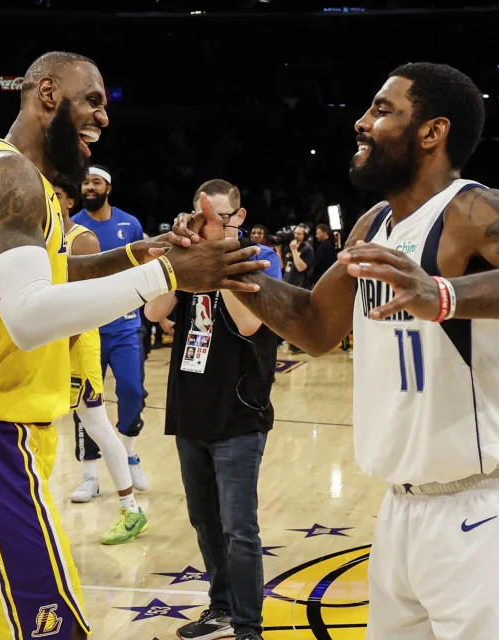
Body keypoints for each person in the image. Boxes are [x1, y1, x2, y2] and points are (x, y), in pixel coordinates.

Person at [181, 62, 499, 639]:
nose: (361, 122)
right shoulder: (373, 224)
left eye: (382, 110)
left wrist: (441, 293)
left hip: (484, 510)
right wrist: (223, 268)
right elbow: (314, 326)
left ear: (432, 131)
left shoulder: (475, 209)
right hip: (399, 513)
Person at [0, 51, 266, 640]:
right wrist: (171, 277)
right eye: (93, 100)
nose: (104, 117)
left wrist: (146, 253)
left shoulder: (34, 186)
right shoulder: (7, 178)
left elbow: (55, 277)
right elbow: (29, 317)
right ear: (47, 92)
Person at [145, 179, 282, 640]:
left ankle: (249, 627)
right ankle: (220, 609)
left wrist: (219, 261)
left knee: (239, 528)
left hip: (239, 415)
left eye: (220, 218)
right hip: (192, 410)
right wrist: (177, 263)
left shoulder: (256, 262)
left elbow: (248, 324)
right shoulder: (187, 264)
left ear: (238, 219)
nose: (211, 227)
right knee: (205, 522)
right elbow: (154, 313)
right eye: (204, 218)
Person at [52, 176, 148, 545]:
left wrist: (59, 342)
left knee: (98, 420)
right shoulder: (39, 239)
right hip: (52, 339)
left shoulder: (83, 239)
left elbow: (86, 304)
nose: (49, 202)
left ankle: (130, 506)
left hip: (78, 341)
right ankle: (83, 482)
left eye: (56, 196)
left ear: (69, 200)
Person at [71, 165, 151, 499]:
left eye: (96, 182)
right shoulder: (72, 226)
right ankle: (90, 474)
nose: (89, 187)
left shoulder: (129, 224)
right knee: (85, 402)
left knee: (132, 391)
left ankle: (129, 453)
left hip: (124, 324)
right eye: (86, 182)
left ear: (108, 187)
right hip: (86, 328)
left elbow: (143, 265)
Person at [282, 223, 313, 290]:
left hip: (300, 287)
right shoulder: (289, 247)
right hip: (287, 283)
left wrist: (294, 250)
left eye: (299, 234)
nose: (296, 236)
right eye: (295, 233)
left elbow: (301, 268)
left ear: (305, 236)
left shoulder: (308, 249)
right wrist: (278, 250)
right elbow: (283, 266)